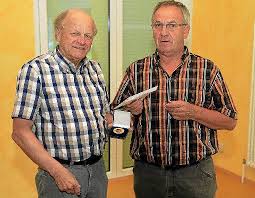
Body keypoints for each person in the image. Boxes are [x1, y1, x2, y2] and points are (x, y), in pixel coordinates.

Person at [111, 1, 237, 198]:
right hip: (148, 176)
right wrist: (130, 113)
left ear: (185, 30)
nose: (163, 32)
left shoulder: (207, 70)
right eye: (157, 25)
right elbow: (116, 129)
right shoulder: (136, 71)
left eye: (171, 25)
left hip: (196, 176)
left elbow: (230, 121)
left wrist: (194, 112)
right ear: (152, 29)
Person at [12, 8, 112, 198]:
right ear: (58, 33)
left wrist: (118, 123)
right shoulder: (35, 70)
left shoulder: (95, 69)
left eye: (88, 35)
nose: (82, 41)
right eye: (75, 33)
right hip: (57, 174)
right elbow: (20, 132)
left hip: (98, 171)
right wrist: (58, 171)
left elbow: (103, 116)